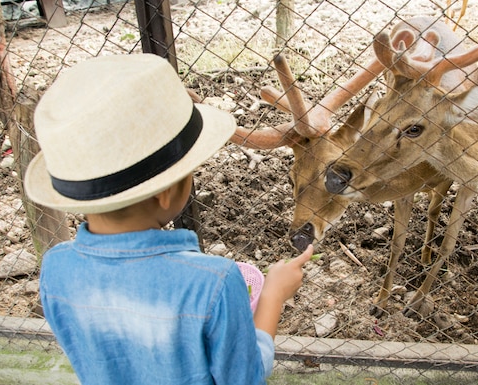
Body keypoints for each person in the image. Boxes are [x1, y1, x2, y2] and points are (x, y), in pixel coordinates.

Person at [23, 53, 313, 384]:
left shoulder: (56, 268)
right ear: (165, 192)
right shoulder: (213, 283)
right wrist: (273, 295)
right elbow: (244, 378)